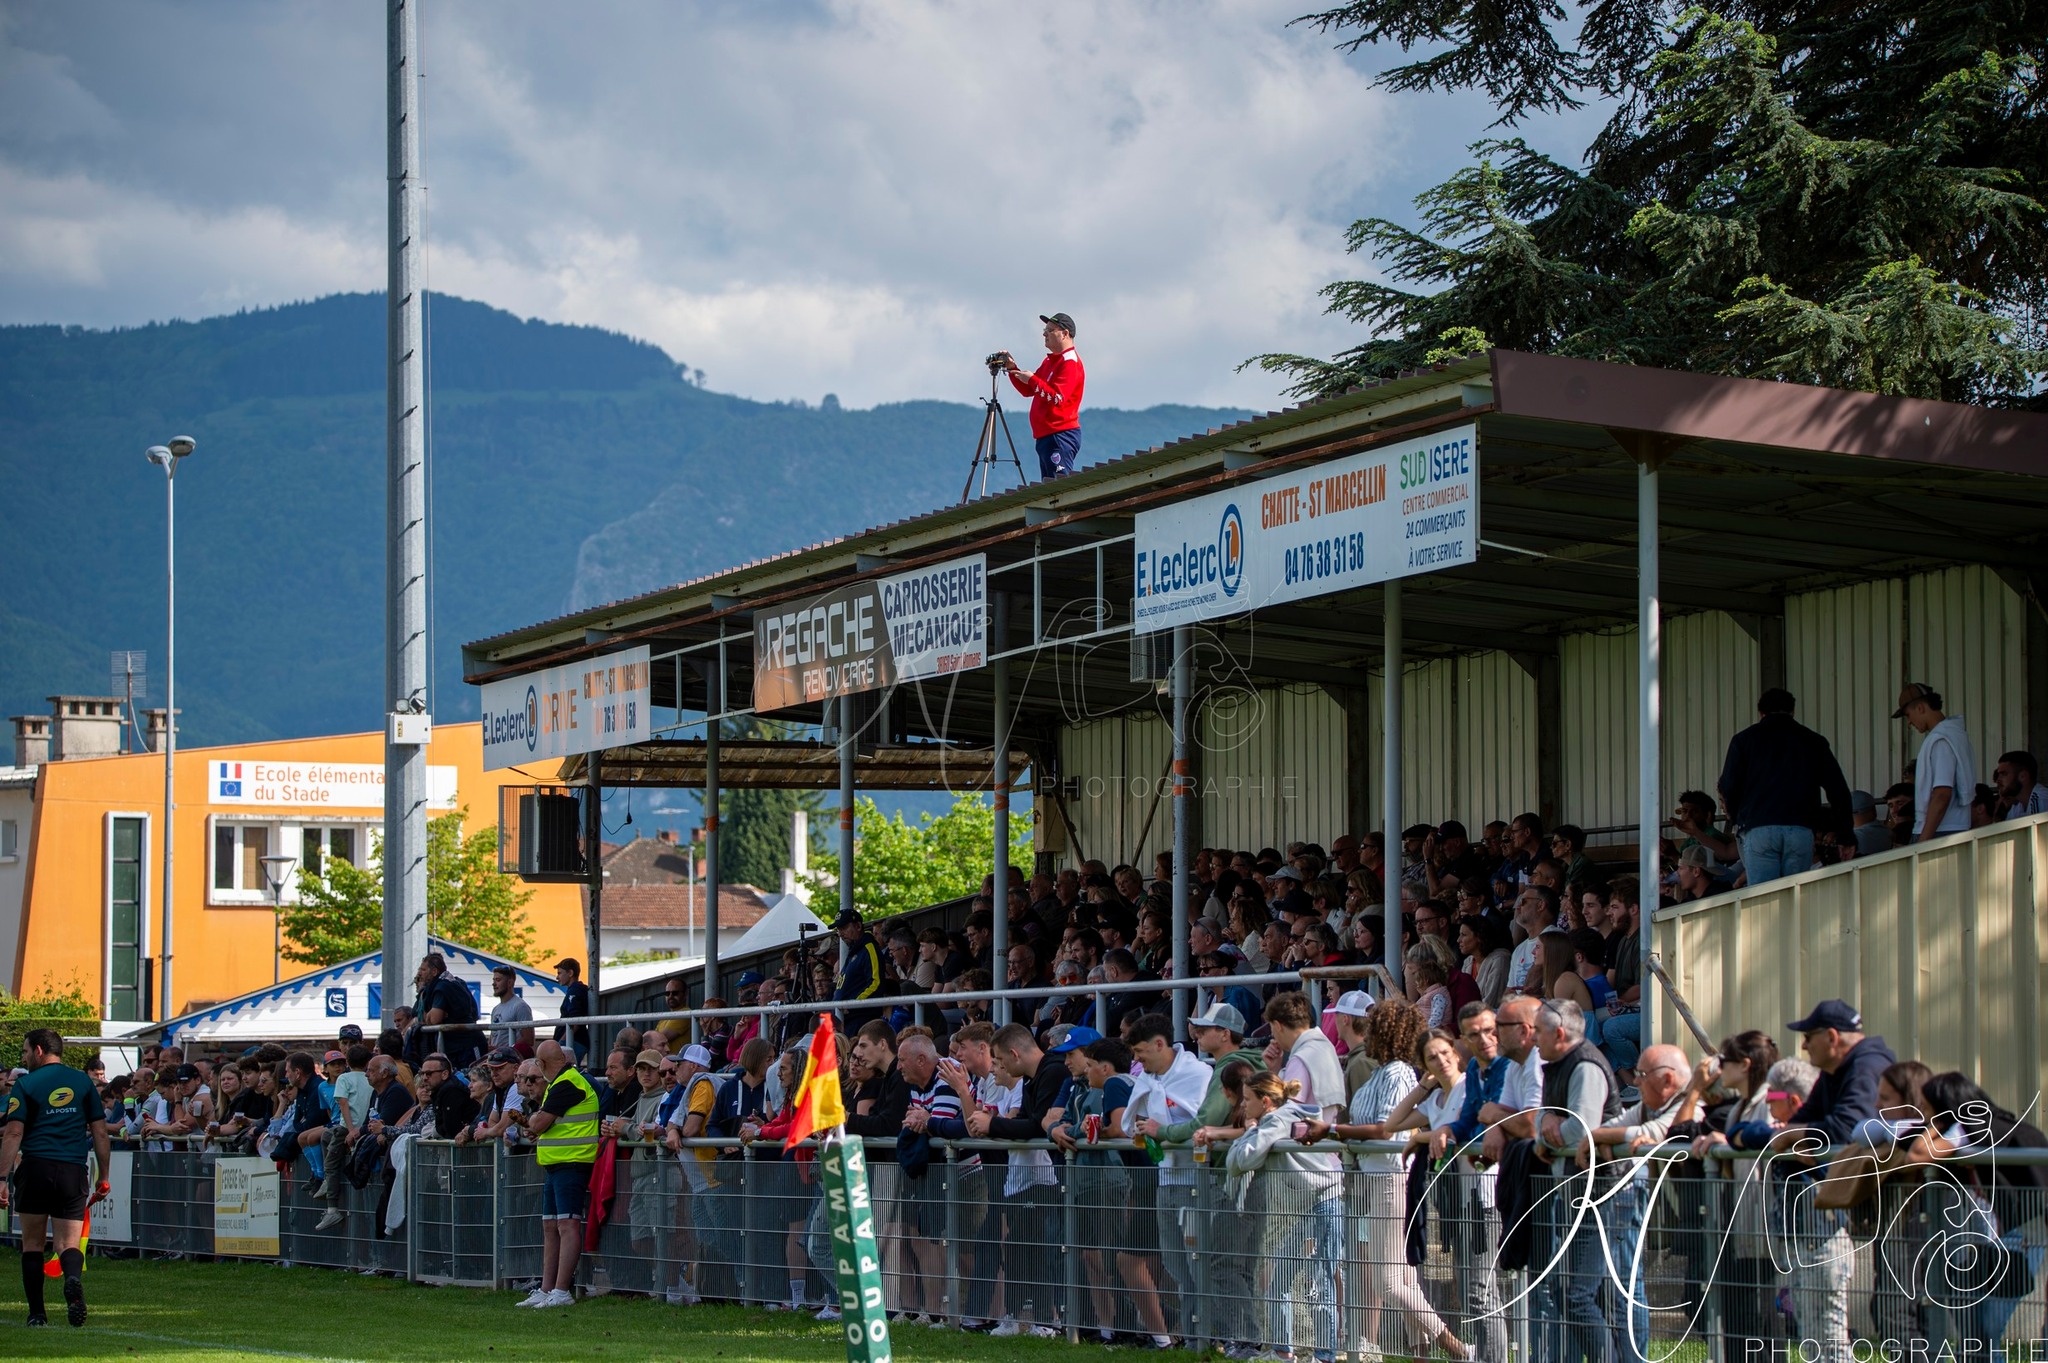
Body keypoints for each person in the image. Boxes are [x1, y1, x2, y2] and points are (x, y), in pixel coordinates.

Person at [1226, 1072, 1346, 1363]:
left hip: (1324, 1203)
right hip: (1308, 1207)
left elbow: (1241, 1161)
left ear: (1265, 1101)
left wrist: (1251, 1132)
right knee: (1279, 1281)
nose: (1243, 1104)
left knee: (1320, 1284)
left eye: (1248, 1099)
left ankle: (1325, 1357)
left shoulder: (1277, 1120)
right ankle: (1282, 1353)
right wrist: (1253, 1130)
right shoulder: (1275, 1119)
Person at [0, 1029, 112, 1327]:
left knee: (33, 1242)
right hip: (72, 1169)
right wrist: (105, 1176)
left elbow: (13, 1132)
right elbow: (100, 1132)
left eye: (25, 1052)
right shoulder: (82, 1082)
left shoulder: (24, 1084)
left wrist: (1, 1178)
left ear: (38, 1050)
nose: (23, 1057)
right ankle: (73, 1279)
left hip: (36, 1167)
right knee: (67, 1243)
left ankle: (37, 1313)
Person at [1124, 1012, 1215, 1319]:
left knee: (1198, 1260)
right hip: (1166, 1179)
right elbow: (1134, 1118)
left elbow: (1203, 1122)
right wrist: (1141, 1126)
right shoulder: (1147, 1078)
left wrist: (1160, 1129)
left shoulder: (1198, 1074)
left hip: (1196, 1180)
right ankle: (1192, 1335)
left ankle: (1208, 1332)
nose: (1137, 1060)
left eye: (1140, 1052)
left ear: (1160, 1044)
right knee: (1175, 1262)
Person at [1717, 687, 1855, 884]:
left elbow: (1728, 784)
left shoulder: (1743, 740)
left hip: (1759, 828)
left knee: (1763, 901)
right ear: (1792, 711)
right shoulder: (1814, 741)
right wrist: (1846, 836)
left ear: (1761, 713)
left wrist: (1738, 815)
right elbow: (1838, 790)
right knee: (1795, 899)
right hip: (1800, 828)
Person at [517, 1039, 600, 1309]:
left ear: (541, 1065)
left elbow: (539, 1123)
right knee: (551, 1226)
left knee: (566, 1225)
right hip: (556, 1164)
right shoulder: (561, 1083)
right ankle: (547, 1288)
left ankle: (562, 1290)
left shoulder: (568, 1083)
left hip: (572, 1163)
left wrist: (533, 1121)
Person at [999, 312, 1085, 480]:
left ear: (1065, 334)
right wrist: (1011, 368)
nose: (1044, 333)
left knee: (1058, 488)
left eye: (1050, 330)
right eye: (1045, 329)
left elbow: (1057, 398)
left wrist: (1032, 380)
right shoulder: (1051, 361)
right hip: (1047, 435)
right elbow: (1029, 390)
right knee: (1050, 487)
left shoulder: (1069, 362)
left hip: (1060, 434)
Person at [1894, 682, 1978, 842]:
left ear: (1920, 708)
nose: (1909, 722)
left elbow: (1941, 794)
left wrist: (1923, 841)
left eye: (1908, 715)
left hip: (1939, 830)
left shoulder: (1940, 740)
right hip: (1954, 826)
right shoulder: (1957, 736)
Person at [414, 953, 487, 1069]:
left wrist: (434, 1015)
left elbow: (434, 1019)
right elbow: (421, 1018)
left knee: (472, 1078)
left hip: (467, 1046)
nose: (419, 973)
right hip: (453, 1047)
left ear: (434, 972)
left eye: (423, 969)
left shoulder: (444, 986)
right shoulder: (433, 988)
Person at [832, 909, 887, 1030]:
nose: (840, 933)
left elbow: (876, 983)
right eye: (838, 929)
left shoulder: (869, 948)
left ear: (858, 926)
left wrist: (852, 1004)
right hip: (845, 1019)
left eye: (844, 928)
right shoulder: (854, 951)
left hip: (861, 1020)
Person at [487, 965, 534, 1055]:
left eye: (498, 980)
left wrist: (503, 1049)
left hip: (510, 1059)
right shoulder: (495, 1009)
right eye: (493, 980)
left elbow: (529, 1039)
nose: (494, 984)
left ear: (510, 983)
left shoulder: (520, 1006)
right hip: (494, 1058)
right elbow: (493, 1035)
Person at [1993, 749, 2047, 821]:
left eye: (2004, 774)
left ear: (2023, 776)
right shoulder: (2018, 806)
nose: (1998, 780)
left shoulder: (2040, 800)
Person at [554, 959, 591, 1062]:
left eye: (560, 973)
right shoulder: (576, 990)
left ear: (570, 973)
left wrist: (562, 1041)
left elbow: (575, 1021)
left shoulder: (574, 991)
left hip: (574, 1041)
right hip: (574, 1041)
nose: (557, 977)